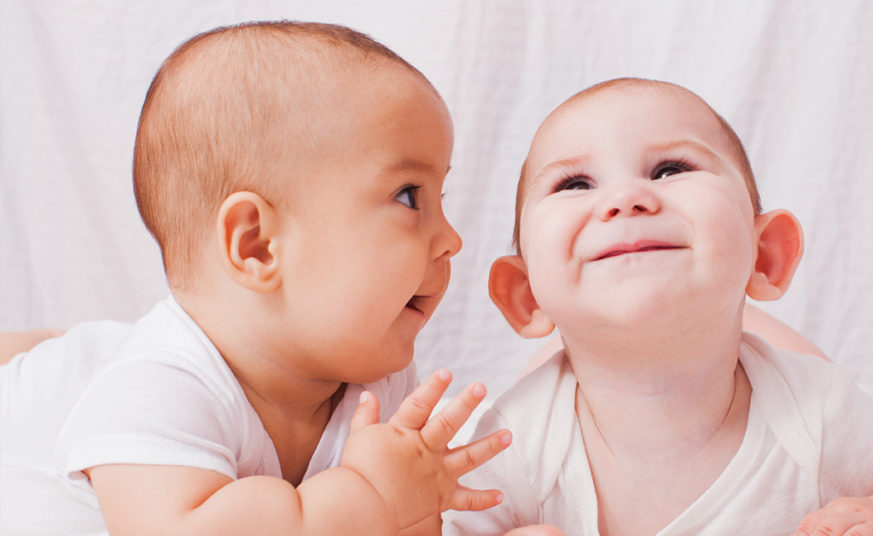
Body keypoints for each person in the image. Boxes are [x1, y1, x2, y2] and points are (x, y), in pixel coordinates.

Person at [0, 21, 518, 536]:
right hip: (43, 397)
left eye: (439, 198)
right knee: (53, 363)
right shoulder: (157, 392)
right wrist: (373, 495)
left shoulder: (374, 382)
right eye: (409, 196)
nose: (452, 239)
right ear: (258, 245)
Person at [444, 78, 873, 535]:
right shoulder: (516, 438)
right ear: (527, 296)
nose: (626, 197)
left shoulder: (815, 411)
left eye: (671, 169)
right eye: (575, 183)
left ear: (765, 255)